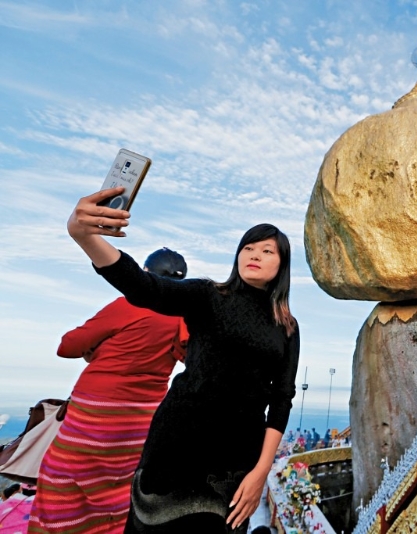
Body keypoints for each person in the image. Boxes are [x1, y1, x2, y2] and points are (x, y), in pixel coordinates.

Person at [64, 187, 300, 533]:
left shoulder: (287, 326)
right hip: (176, 447)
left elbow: (281, 399)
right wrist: (84, 237)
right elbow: (145, 287)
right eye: (247, 248)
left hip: (235, 462)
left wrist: (261, 471)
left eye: (267, 250)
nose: (254, 255)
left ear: (282, 264)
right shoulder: (208, 295)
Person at [28, 248, 189, 534]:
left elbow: (67, 346)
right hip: (142, 418)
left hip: (96, 411)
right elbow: (186, 354)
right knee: (116, 485)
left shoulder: (127, 305)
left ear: (144, 275)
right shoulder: (182, 316)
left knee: (61, 480)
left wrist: (97, 349)